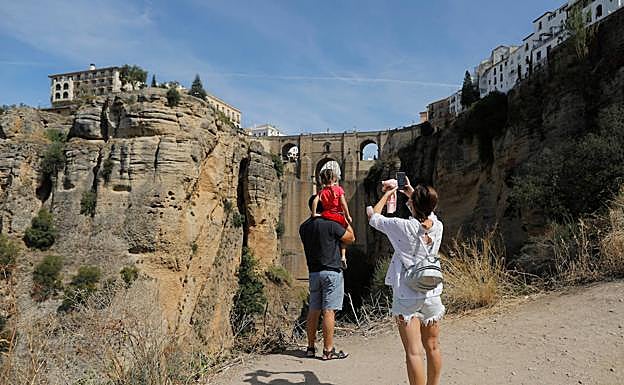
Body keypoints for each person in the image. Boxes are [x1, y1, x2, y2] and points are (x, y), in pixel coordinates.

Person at [367, 177, 445, 385]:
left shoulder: (401, 227)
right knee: (433, 346)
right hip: (432, 292)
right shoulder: (438, 226)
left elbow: (373, 217)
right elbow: (428, 212)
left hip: (406, 294)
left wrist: (388, 194)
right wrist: (413, 195)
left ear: (413, 204)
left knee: (414, 352)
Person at [300, 194, 355, 360]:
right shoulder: (332, 225)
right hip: (332, 272)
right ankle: (328, 351)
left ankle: (310, 348)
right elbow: (351, 238)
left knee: (313, 310)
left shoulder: (304, 227)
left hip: (314, 273)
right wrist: (344, 218)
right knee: (329, 311)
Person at [311, 168, 353, 269]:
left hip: (326, 215)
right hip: (338, 216)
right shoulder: (338, 189)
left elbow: (315, 201)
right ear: (334, 178)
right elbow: (343, 203)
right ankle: (343, 256)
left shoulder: (322, 191)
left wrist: (314, 214)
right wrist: (347, 216)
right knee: (349, 236)